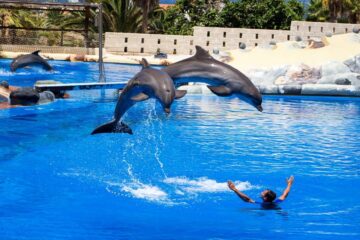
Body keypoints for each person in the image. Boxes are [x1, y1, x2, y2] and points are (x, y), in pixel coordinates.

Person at [228, 176, 294, 208]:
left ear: (265, 198)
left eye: (263, 192)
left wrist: (235, 189)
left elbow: (247, 199)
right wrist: (289, 184)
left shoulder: (263, 204)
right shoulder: (277, 202)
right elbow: (284, 194)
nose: (261, 192)